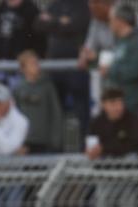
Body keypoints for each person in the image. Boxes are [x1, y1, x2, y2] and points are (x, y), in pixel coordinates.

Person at [36, 0, 91, 141]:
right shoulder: (55, 4)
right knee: (56, 112)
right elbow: (39, 24)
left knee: (82, 112)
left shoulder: (81, 5)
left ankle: (84, 149)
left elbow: (77, 25)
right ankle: (56, 149)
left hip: (76, 68)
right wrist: (61, 22)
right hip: (55, 68)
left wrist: (52, 22)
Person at [103, 3, 138, 125]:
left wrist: (111, 70)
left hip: (133, 105)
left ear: (120, 21)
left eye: (111, 19)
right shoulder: (121, 42)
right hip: (119, 107)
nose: (109, 23)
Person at [14, 49, 63, 153]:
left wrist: (55, 140)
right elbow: (14, 114)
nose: (36, 66)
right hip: (25, 141)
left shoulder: (47, 87)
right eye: (32, 64)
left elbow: (56, 113)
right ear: (23, 68)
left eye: (37, 63)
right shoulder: (18, 88)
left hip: (45, 141)